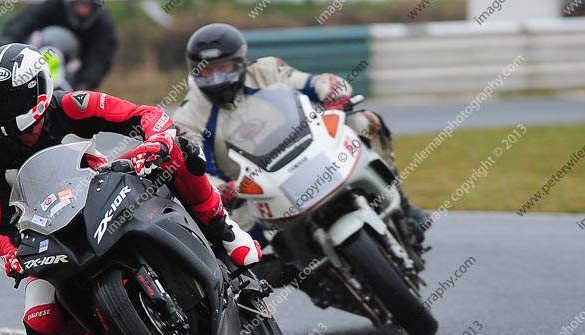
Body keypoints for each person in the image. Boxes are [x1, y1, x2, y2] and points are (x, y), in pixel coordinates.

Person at [0, 43, 261, 335]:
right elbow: (0, 228)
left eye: (15, 98)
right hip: (50, 232)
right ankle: (116, 326)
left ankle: (224, 231)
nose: (10, 111)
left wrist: (156, 141)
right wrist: (11, 255)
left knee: (177, 151)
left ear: (39, 89)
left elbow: (144, 115)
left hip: (100, 188)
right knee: (40, 327)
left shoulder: (73, 105)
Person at [172, 23, 429, 242]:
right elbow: (192, 171)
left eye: (223, 68)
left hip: (310, 153)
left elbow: (314, 82)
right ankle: (287, 279)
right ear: (195, 68)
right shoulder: (187, 116)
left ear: (239, 61)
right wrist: (221, 189)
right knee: (229, 248)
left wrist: (333, 93)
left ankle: (405, 208)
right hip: (254, 193)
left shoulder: (268, 70)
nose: (216, 77)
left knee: (364, 121)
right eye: (207, 70)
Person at [2, 0, 117, 91]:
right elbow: (24, 22)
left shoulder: (103, 25)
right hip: (36, 64)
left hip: (74, 74)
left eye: (87, 7)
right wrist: (9, 40)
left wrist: (85, 83)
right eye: (81, 5)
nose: (83, 11)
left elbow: (100, 57)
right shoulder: (53, 6)